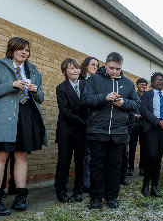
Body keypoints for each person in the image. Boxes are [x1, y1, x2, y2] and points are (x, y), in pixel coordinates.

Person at [0, 37, 48, 215]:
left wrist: (36, 91)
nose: (24, 52)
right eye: (20, 49)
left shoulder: (34, 71)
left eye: (27, 50)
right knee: (0, 155)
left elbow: (41, 98)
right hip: (4, 117)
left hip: (26, 115)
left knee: (21, 155)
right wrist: (11, 85)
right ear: (12, 50)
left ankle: (21, 196)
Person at [82, 52, 139, 210]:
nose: (114, 71)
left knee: (115, 166)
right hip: (97, 131)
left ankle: (112, 197)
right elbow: (86, 99)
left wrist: (123, 103)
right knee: (97, 166)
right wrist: (104, 97)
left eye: (118, 68)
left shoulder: (128, 83)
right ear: (105, 65)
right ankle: (96, 198)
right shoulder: (94, 79)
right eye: (111, 68)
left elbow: (136, 103)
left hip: (119, 132)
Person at [139, 72, 163, 197]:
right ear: (152, 82)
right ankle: (145, 184)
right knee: (151, 155)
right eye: (157, 80)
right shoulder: (147, 95)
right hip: (152, 128)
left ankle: (154, 187)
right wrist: (158, 122)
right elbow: (144, 110)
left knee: (158, 158)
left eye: (162, 80)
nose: (160, 81)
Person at [54, 58, 88, 203]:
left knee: (80, 161)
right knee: (64, 161)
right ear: (64, 71)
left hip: (82, 132)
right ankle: (61, 191)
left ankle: (78, 190)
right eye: (71, 68)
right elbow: (65, 111)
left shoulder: (86, 85)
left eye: (77, 68)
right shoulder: (61, 88)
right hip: (66, 130)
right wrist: (84, 123)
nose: (75, 71)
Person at [79, 56, 99, 194]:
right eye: (93, 64)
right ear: (86, 65)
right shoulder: (80, 81)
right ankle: (84, 182)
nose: (95, 67)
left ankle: (90, 182)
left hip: (95, 121)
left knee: (92, 153)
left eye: (97, 65)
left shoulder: (98, 82)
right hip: (80, 121)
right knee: (84, 153)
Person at [128, 77, 149, 176]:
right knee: (132, 147)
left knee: (144, 147)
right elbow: (129, 107)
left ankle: (142, 168)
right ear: (137, 85)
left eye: (145, 85)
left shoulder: (148, 96)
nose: (143, 86)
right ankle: (131, 168)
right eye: (141, 84)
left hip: (144, 124)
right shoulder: (133, 95)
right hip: (134, 124)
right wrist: (133, 115)